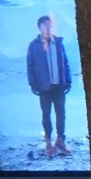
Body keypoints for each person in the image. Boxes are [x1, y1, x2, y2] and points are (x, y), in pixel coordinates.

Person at [26, 14, 73, 158]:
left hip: (59, 86)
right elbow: (30, 65)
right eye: (45, 24)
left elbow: (65, 62)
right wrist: (33, 83)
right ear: (39, 27)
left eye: (50, 24)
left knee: (61, 115)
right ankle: (48, 142)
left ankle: (60, 140)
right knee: (46, 115)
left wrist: (68, 80)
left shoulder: (58, 43)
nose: (48, 27)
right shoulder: (34, 45)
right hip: (44, 87)